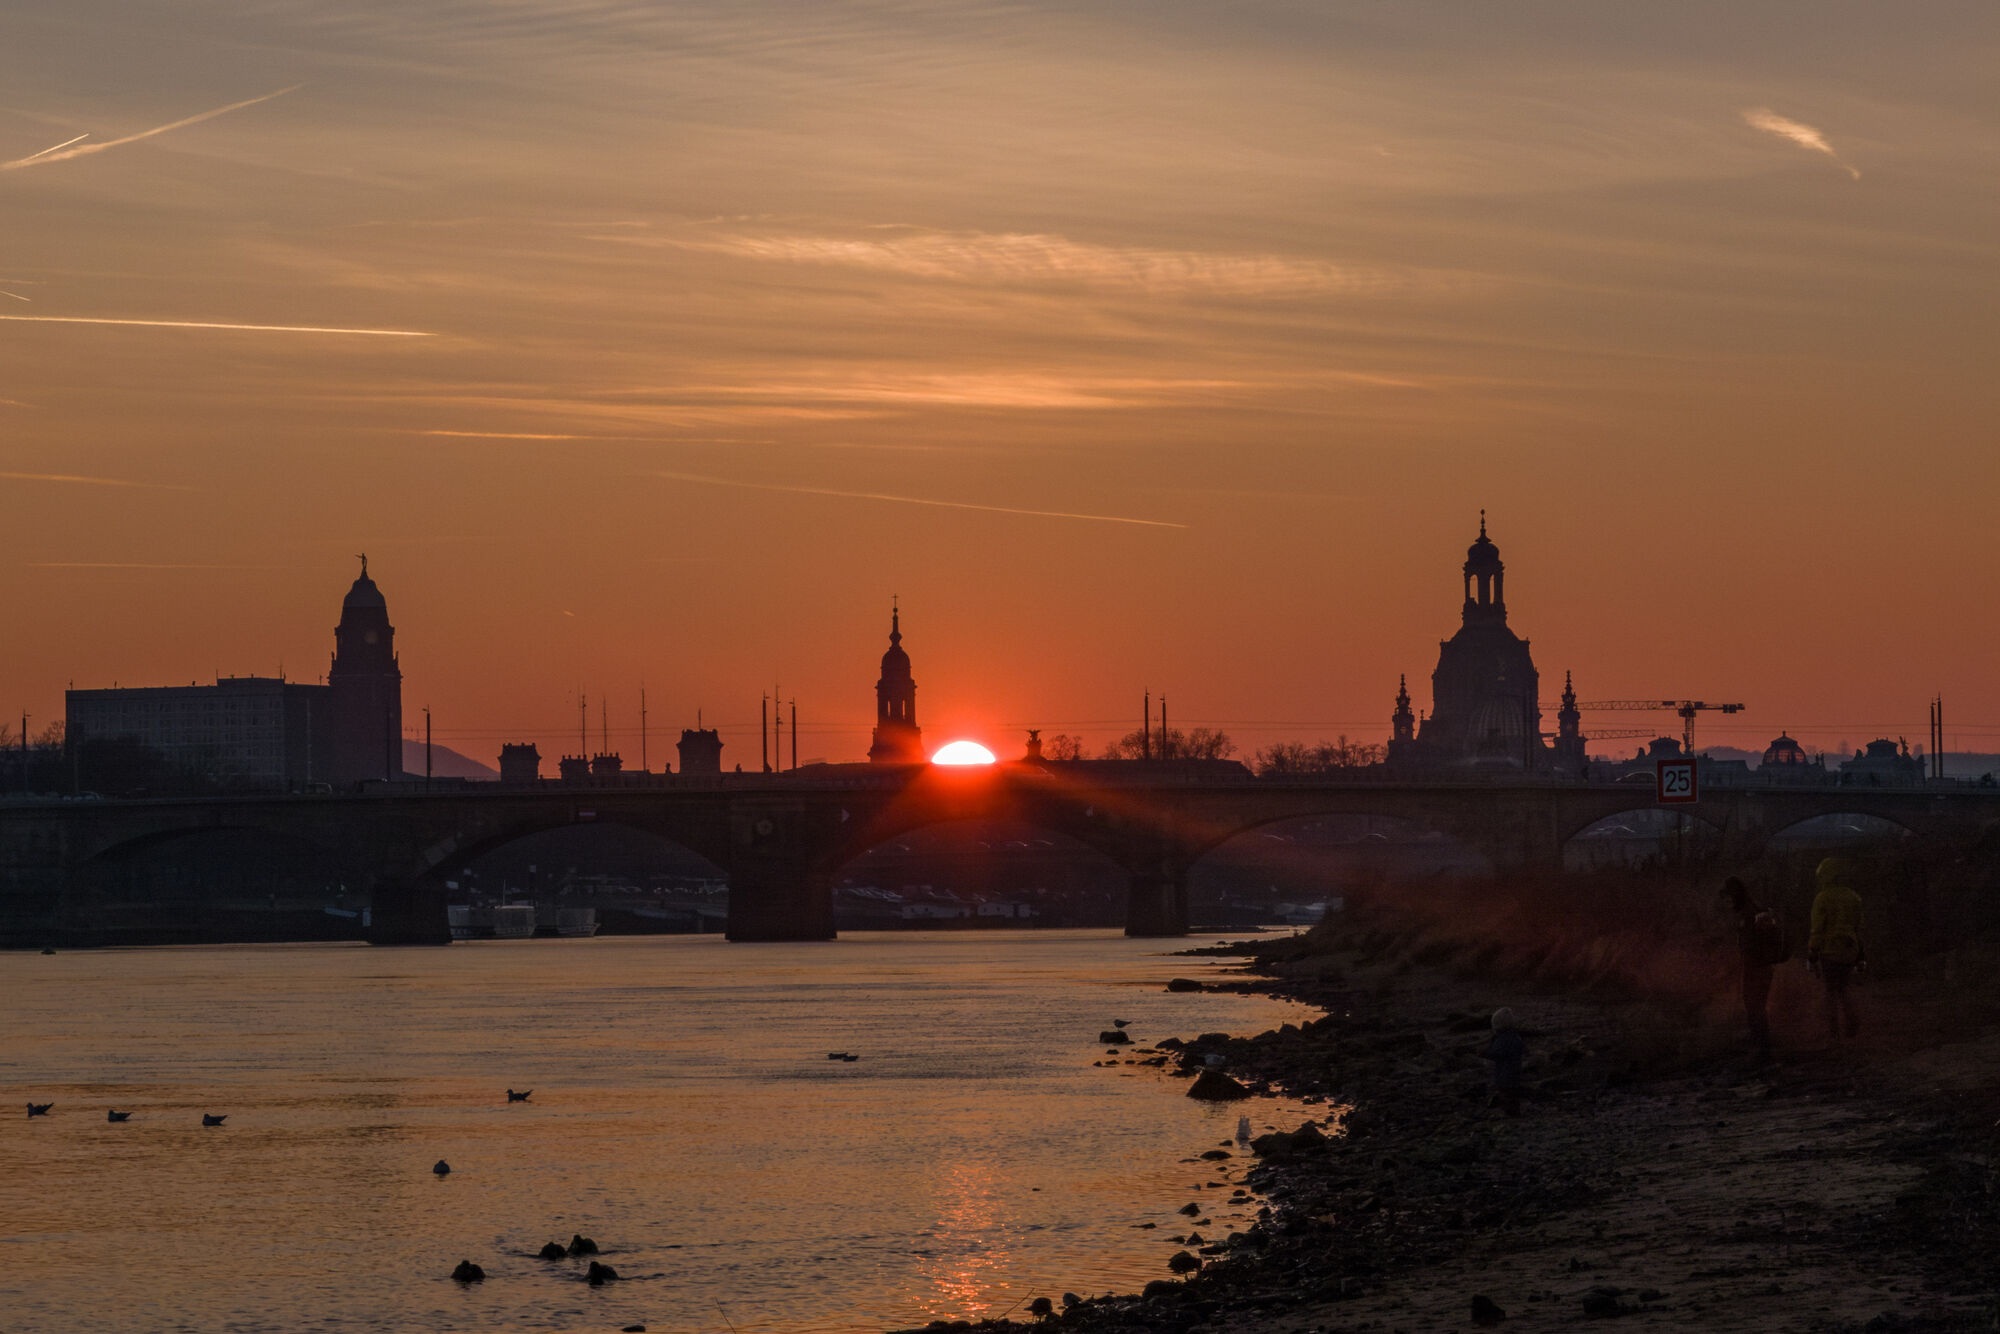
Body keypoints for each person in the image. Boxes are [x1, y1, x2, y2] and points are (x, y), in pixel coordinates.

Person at [1723, 877, 1783, 1062]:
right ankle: (1760, 1045)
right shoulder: (1752, 910)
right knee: (1753, 1006)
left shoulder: (1750, 913)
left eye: (1729, 897)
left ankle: (1763, 1050)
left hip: (1758, 967)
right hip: (1758, 966)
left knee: (1755, 1006)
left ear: (1736, 895)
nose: (1728, 901)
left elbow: (1753, 943)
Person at [1807, 857, 1865, 1045]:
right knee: (1844, 987)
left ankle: (1833, 1034)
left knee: (1831, 991)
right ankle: (1852, 1025)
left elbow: (1817, 929)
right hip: (1850, 950)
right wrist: (1860, 954)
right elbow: (1858, 927)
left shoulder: (1822, 898)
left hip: (1830, 951)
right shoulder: (1853, 897)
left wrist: (1812, 952)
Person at [1484, 1008, 1526, 1116]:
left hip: (1504, 1073)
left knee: (1505, 1093)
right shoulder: (1515, 1037)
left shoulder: (1502, 1040)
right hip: (1515, 1071)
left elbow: (1496, 1053)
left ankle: (1509, 1111)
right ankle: (1514, 1110)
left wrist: (1486, 1052)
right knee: (1513, 1093)